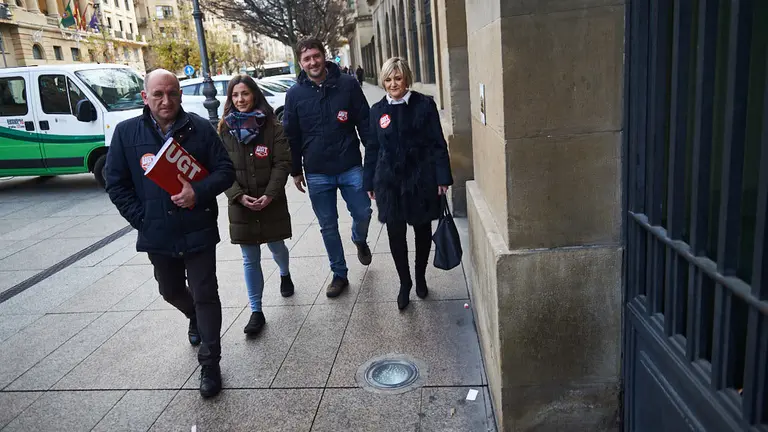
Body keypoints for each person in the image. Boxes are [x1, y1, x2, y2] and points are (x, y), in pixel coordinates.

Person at [105, 69, 235, 398]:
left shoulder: (200, 129)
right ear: (145, 97)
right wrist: (143, 219)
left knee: (206, 293)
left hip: (198, 228)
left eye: (172, 93)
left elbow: (225, 171)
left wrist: (199, 192)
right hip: (157, 233)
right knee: (170, 290)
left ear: (179, 94)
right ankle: (192, 314)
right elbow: (116, 183)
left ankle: (210, 362)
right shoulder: (126, 133)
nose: (166, 101)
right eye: (158, 94)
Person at [282, 38, 373, 298]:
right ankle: (339, 274)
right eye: (307, 59)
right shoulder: (294, 95)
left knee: (364, 211)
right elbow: (292, 136)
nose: (312, 62)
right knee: (328, 225)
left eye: (315, 56)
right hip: (317, 171)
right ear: (301, 63)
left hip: (350, 165)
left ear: (324, 56)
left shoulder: (348, 85)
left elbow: (365, 123)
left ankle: (359, 238)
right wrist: (295, 170)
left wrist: (375, 163)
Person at [363, 57, 453, 310]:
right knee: (395, 234)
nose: (393, 84)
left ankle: (421, 276)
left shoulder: (425, 105)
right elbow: (372, 148)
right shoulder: (377, 110)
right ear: (383, 81)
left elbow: (438, 143)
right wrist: (368, 180)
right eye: (389, 79)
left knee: (422, 232)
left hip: (420, 179)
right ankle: (405, 283)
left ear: (406, 78)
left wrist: (442, 177)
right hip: (389, 183)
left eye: (398, 78)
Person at [218, 75, 294, 336]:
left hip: (270, 200)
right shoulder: (224, 130)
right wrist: (237, 195)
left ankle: (284, 273)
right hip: (241, 204)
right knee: (250, 258)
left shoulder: (273, 127)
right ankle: (256, 311)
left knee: (276, 245)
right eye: (235, 95)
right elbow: (219, 169)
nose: (240, 100)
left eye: (245, 94)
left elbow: (282, 163)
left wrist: (270, 195)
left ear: (254, 95)